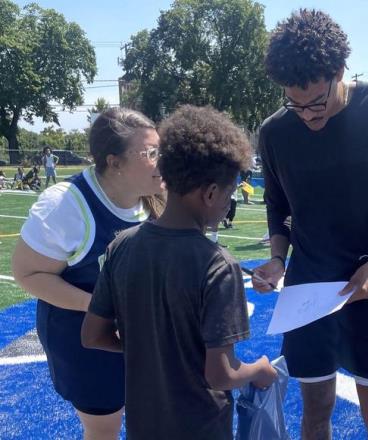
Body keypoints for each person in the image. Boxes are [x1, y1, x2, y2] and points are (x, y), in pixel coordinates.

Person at [252, 10, 368, 440]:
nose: (307, 115)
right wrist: (277, 259)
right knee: (315, 414)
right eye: (294, 103)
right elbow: (277, 205)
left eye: (316, 101)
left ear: (340, 72)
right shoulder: (275, 132)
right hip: (308, 291)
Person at [81, 105, 277, 439]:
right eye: (228, 194)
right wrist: (259, 369)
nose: (227, 204)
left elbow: (93, 335)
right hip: (202, 427)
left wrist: (151, 349)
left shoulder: (122, 246)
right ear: (211, 193)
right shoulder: (218, 264)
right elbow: (221, 374)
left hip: (144, 425)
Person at [12, 108, 165, 440]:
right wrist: (103, 308)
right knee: (103, 429)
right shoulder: (66, 206)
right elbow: (27, 273)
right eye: (151, 153)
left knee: (150, 414)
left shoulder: (154, 196)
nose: (162, 161)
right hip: (85, 339)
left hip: (139, 331)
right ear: (115, 162)